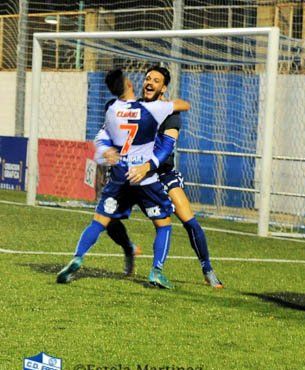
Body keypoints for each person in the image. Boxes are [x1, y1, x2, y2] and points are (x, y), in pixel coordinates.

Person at [56, 68, 190, 288]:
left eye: (154, 80)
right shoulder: (151, 109)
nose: (144, 81)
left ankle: (78, 257)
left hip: (119, 176)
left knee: (99, 221)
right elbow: (184, 105)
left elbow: (102, 137)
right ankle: (156, 271)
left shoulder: (111, 108)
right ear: (129, 85)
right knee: (164, 224)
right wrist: (166, 101)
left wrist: (105, 149)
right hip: (144, 178)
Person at [104, 66, 224, 288]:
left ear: (163, 88)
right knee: (107, 218)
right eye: (148, 78)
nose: (149, 83)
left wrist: (147, 166)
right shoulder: (134, 107)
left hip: (161, 173)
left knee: (189, 221)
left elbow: (166, 149)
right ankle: (129, 248)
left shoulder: (170, 114)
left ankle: (207, 269)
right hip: (134, 174)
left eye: (156, 80)